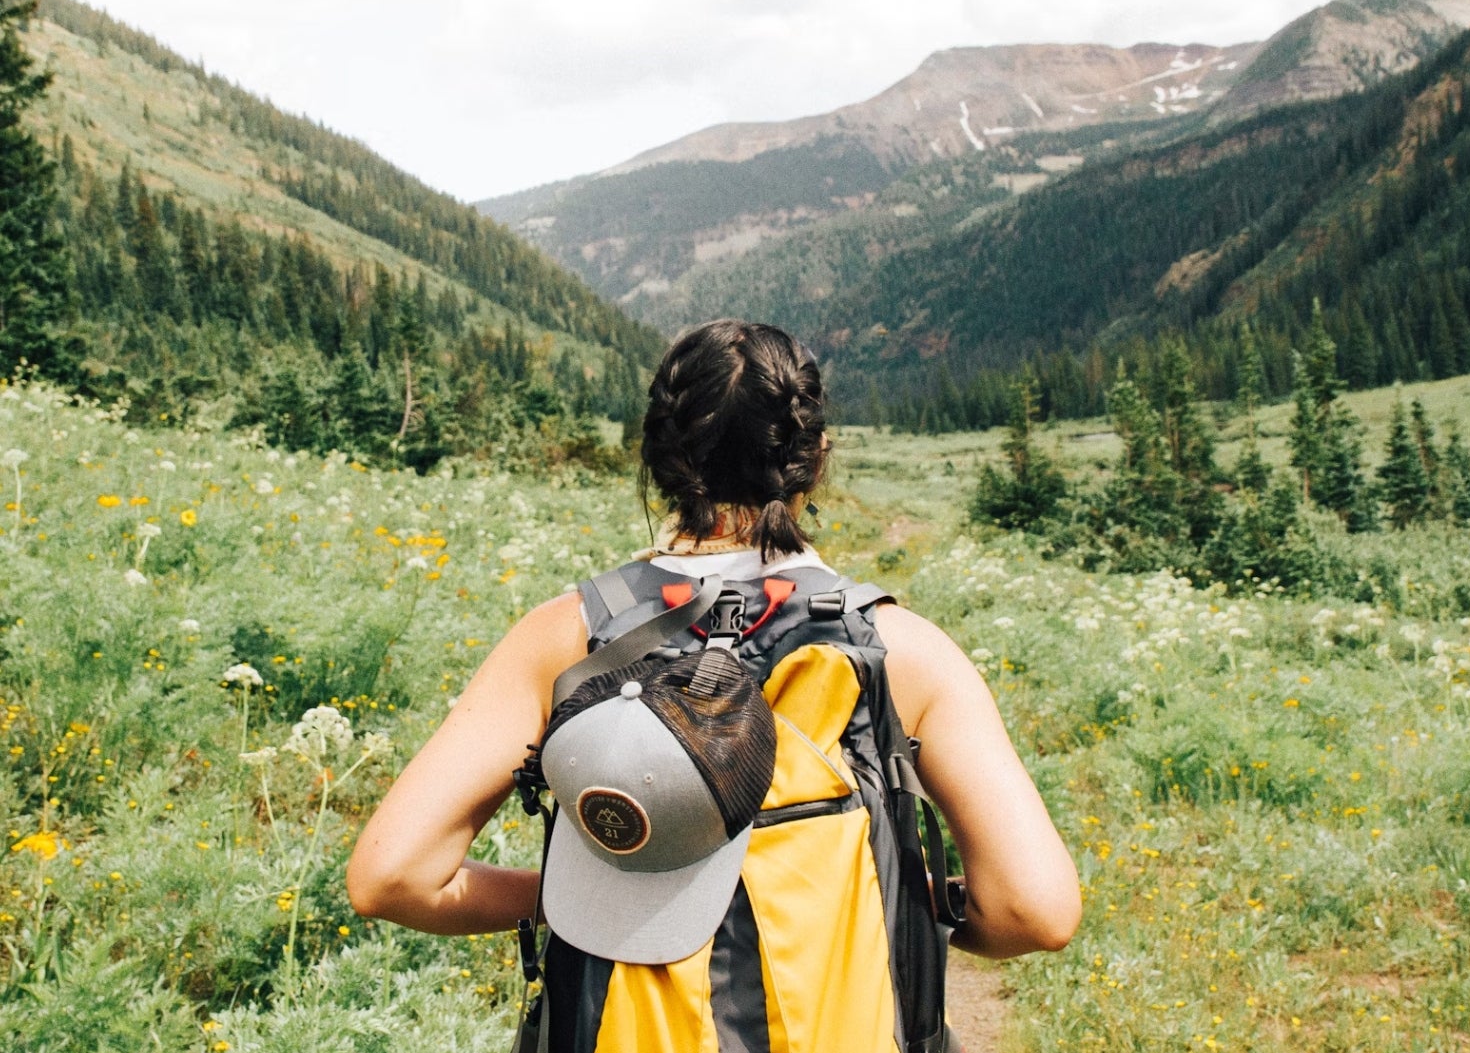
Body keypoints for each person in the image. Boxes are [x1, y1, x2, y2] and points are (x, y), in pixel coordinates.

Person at [346, 317, 1080, 960]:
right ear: (816, 458)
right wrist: (892, 902)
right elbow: (1034, 912)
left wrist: (568, 900)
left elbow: (394, 877)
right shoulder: (899, 647)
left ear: (658, 460)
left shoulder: (566, 635)